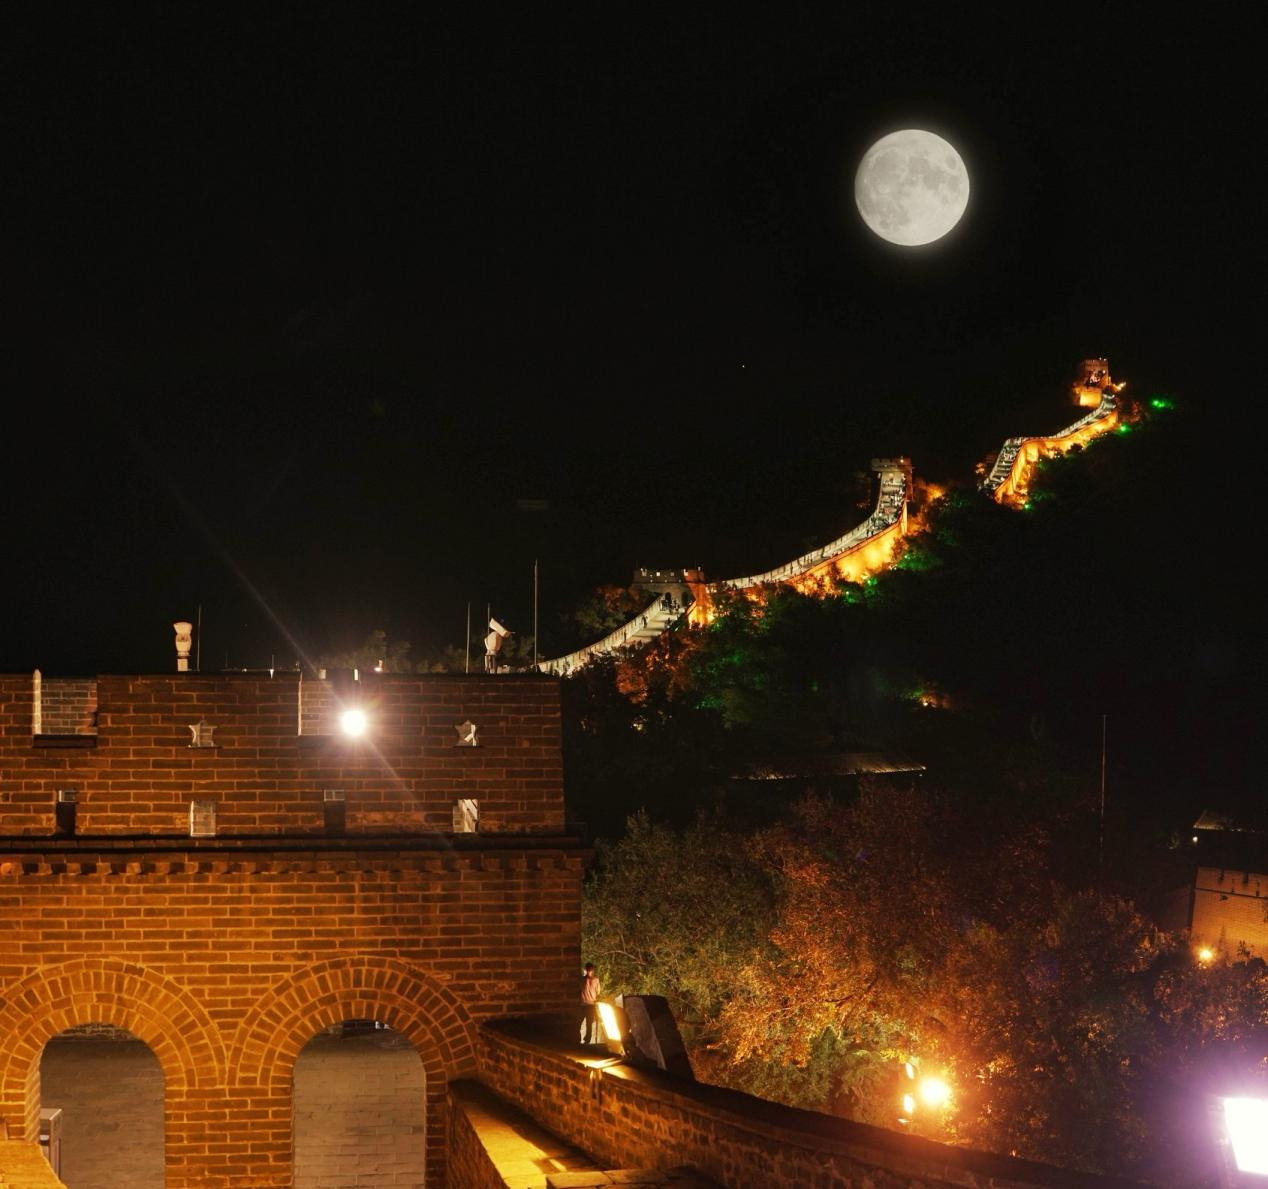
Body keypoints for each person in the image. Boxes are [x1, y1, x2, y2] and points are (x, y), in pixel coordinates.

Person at [580, 961, 601, 1044]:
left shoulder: (581, 979)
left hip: (583, 1005)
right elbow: (598, 992)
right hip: (590, 1005)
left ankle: (579, 1039)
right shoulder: (596, 980)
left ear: (585, 970)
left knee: (579, 1023)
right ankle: (587, 1040)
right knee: (589, 1024)